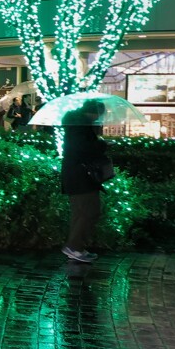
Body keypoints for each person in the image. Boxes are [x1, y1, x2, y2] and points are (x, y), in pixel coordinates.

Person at [61, 99, 108, 264]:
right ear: (94, 112)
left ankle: (76, 247)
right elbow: (83, 149)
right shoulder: (80, 127)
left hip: (77, 176)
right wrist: (102, 145)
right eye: (99, 114)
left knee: (81, 213)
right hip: (81, 177)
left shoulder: (78, 125)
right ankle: (74, 247)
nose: (100, 117)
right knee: (90, 211)